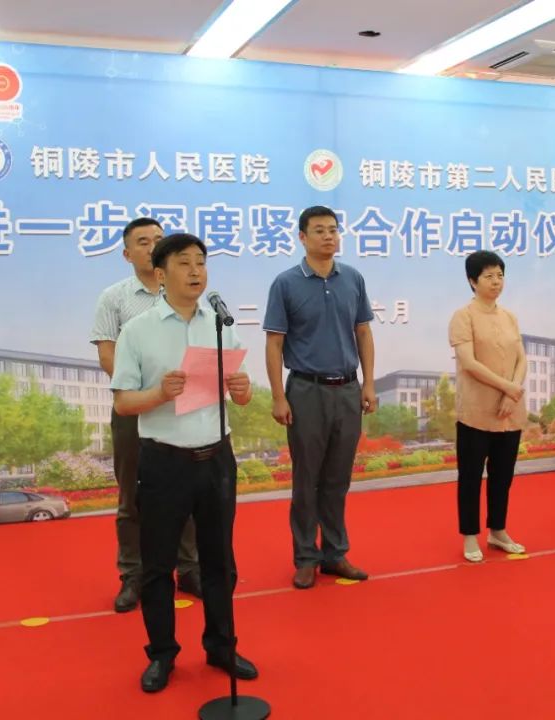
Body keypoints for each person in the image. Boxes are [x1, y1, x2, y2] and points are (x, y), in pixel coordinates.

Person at [112, 233, 258, 693]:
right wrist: (159, 393)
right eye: (184, 263)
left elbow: (240, 393)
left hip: (216, 457)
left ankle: (221, 646)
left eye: (201, 262)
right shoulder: (138, 331)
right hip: (164, 461)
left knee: (220, 562)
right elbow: (123, 402)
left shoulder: (219, 323)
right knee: (158, 567)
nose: (196, 271)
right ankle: (162, 655)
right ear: (160, 274)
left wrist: (243, 390)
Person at [91, 217, 202, 613]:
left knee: (187, 491)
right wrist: (146, 393)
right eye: (143, 241)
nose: (153, 245)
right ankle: (133, 575)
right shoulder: (114, 298)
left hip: (185, 408)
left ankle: (189, 568)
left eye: (158, 239)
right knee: (132, 495)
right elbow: (108, 355)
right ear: (127, 254)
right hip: (134, 408)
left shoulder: (187, 294)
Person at [263, 205, 376, 590]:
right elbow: (274, 344)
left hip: (347, 389)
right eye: (319, 230)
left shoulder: (353, 279)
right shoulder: (286, 283)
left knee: (337, 479)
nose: (329, 236)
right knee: (306, 480)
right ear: (302, 237)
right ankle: (305, 557)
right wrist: (278, 397)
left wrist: (369, 383)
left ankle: (334, 553)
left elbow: (363, 333)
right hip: (305, 390)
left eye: (333, 230)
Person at [449, 251, 529, 562]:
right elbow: (468, 363)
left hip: (510, 410)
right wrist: (507, 387)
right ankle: (470, 536)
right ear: (473, 281)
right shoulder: (463, 316)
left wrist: (513, 392)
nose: (496, 282)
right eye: (489, 276)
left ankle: (498, 530)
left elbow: (521, 359)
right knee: (470, 476)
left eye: (500, 275)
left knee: (502, 476)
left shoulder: (509, 317)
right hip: (477, 410)